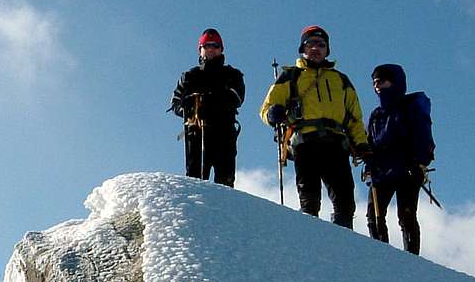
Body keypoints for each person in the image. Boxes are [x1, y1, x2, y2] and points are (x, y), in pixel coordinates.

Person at [260, 25, 371, 227]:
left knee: (345, 201)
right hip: (305, 142)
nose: (316, 48)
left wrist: (362, 144)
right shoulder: (291, 76)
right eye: (310, 44)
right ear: (303, 48)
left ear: (327, 50)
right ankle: (311, 242)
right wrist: (272, 114)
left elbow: (354, 118)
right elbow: (266, 109)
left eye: (321, 44)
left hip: (336, 144)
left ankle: (342, 243)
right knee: (309, 199)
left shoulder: (341, 80)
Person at [364, 63, 435, 255]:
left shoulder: (410, 107)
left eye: (382, 81)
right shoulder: (376, 115)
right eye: (375, 82)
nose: (378, 86)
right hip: (381, 170)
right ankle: (381, 253)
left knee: (406, 215)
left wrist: (420, 161)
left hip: (406, 168)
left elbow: (423, 135)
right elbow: (369, 141)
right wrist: (367, 157)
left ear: (395, 82)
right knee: (374, 216)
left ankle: (409, 257)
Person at [170, 28, 245, 187]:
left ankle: (224, 210)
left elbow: (237, 98)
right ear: (200, 49)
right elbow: (176, 103)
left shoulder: (233, 75)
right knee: (195, 182)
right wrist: (188, 107)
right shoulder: (190, 76)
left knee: (225, 182)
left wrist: (208, 101)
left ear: (221, 49)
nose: (210, 49)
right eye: (206, 46)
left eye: (215, 45)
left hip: (224, 133)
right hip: (196, 133)